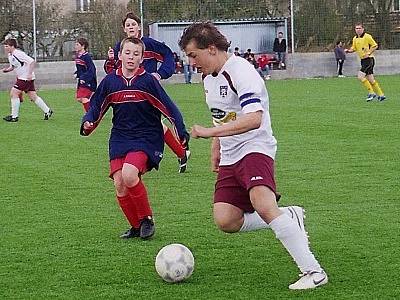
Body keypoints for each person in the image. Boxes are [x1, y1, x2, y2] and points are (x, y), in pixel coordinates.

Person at [179, 22, 328, 290]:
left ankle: (313, 271)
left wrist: (211, 135)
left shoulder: (241, 72)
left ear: (211, 48)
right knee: (226, 220)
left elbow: (254, 119)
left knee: (262, 202)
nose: (191, 62)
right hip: (230, 152)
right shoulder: (208, 77)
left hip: (255, 146)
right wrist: (218, 146)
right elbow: (221, 113)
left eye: (193, 55)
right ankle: (288, 216)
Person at [81, 37, 189, 240]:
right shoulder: (110, 82)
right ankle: (136, 226)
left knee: (130, 174)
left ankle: (147, 219)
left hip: (147, 136)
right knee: (120, 183)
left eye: (136, 54)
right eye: (127, 53)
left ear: (142, 59)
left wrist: (181, 130)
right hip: (120, 137)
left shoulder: (147, 81)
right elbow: (96, 107)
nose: (131, 57)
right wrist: (88, 123)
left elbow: (169, 107)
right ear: (120, 55)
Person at [104, 12, 190, 173]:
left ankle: (168, 153)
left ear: (139, 27)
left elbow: (168, 55)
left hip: (149, 91)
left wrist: (160, 73)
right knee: (156, 125)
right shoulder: (120, 47)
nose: (131, 27)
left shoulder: (149, 44)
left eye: (133, 24)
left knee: (155, 123)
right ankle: (180, 153)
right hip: (128, 94)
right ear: (124, 29)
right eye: (128, 25)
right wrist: (110, 60)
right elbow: (112, 71)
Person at [2, 38, 53, 122]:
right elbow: (14, 66)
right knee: (33, 96)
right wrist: (7, 70)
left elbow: (32, 61)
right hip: (24, 78)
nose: (5, 48)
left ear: (12, 46)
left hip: (25, 78)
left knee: (14, 93)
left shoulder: (18, 53)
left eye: (7, 46)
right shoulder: (10, 55)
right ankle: (48, 111)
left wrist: (29, 74)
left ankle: (14, 116)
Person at [345, 23, 386, 102]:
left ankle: (371, 93)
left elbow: (375, 45)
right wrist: (349, 51)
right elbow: (354, 48)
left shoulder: (367, 36)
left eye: (359, 28)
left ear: (363, 29)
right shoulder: (355, 38)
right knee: (371, 79)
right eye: (356, 28)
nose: (358, 30)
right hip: (363, 60)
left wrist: (369, 53)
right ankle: (381, 95)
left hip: (369, 60)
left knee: (360, 76)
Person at [74, 37, 97, 112]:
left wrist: (84, 78)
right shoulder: (77, 56)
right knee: (79, 98)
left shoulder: (87, 57)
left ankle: (91, 114)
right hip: (81, 80)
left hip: (88, 81)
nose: (75, 46)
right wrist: (77, 74)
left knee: (83, 98)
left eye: (77, 44)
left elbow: (92, 70)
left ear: (83, 46)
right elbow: (80, 69)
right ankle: (94, 110)